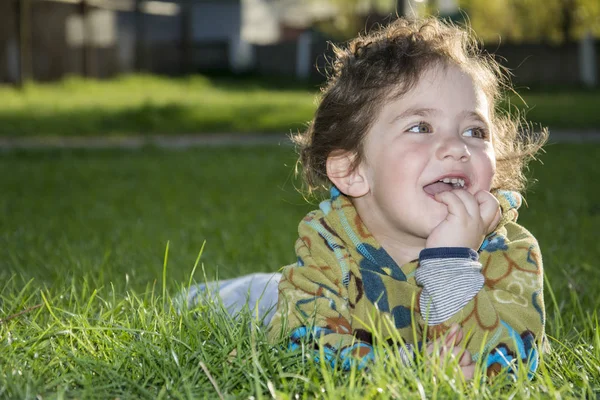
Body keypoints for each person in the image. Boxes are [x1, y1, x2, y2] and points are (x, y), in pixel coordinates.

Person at [180, 17, 547, 379]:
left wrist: (452, 263)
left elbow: (513, 358)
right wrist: (404, 367)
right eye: (420, 127)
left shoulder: (509, 251)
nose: (456, 147)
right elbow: (300, 343)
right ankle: (203, 296)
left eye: (474, 130)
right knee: (254, 299)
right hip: (270, 298)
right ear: (353, 171)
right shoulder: (332, 244)